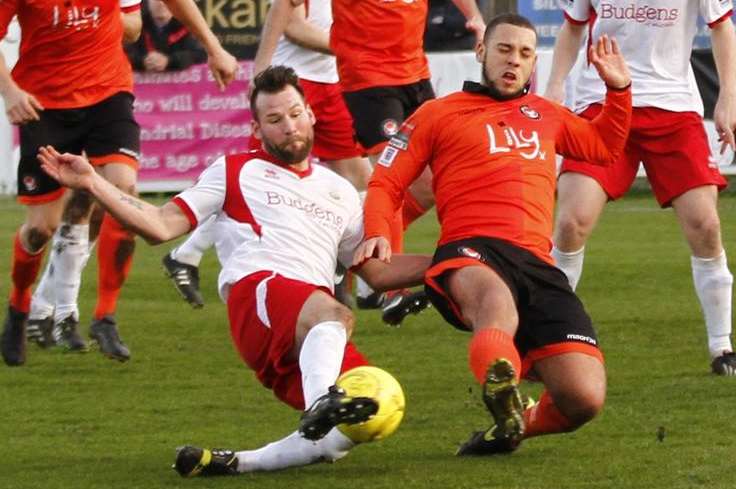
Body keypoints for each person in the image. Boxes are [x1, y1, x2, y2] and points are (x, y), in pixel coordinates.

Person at [37, 65, 430, 475]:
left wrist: (452, 262)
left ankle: (236, 463)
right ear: (258, 130)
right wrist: (94, 184)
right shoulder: (234, 170)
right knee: (336, 315)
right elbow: (160, 225)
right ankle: (320, 401)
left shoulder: (340, 193)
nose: (289, 127)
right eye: (275, 120)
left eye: (295, 114)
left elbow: (376, 273)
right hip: (262, 295)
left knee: (367, 411)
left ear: (311, 114)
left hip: (307, 329)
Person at [355, 14, 632, 455]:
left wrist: (618, 92)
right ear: (481, 52)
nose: (514, 61)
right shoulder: (436, 114)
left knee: (583, 398)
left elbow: (605, 147)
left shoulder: (546, 115)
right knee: (495, 306)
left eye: (525, 53)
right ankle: (500, 384)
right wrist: (376, 231)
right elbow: (385, 182)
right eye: (504, 49)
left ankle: (513, 426)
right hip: (472, 248)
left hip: (537, 264)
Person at [0, 0, 238, 366]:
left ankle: (105, 316)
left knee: (122, 194)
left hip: (108, 94)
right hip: (43, 103)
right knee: (40, 230)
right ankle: (19, 305)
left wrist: (214, 46)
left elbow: (140, 19)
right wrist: (10, 91)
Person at [545, 1, 736, 376]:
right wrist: (554, 86)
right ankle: (548, 338)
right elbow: (572, 27)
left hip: (673, 108)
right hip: (601, 102)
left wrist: (728, 97)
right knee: (571, 223)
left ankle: (722, 346)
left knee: (706, 226)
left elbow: (721, 26)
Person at [254, 0, 485, 310]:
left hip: (414, 75)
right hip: (368, 81)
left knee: (430, 184)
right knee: (393, 178)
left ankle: (345, 248)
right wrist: (261, 67)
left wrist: (476, 18)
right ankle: (392, 292)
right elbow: (285, 6)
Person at [125, 0, 207, 72]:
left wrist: (169, 61)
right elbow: (124, 54)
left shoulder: (187, 26)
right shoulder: (137, 26)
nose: (161, 4)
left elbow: (200, 54)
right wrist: (143, 62)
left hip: (180, 87)